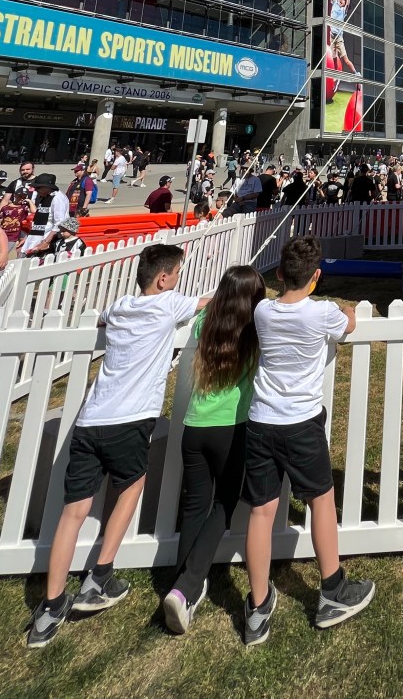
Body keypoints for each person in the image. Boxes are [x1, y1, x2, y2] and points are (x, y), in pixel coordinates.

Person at [26, 244, 210, 648]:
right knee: (131, 485)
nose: (177, 279)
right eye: (176, 273)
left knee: (73, 511)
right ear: (163, 279)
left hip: (91, 419)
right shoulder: (168, 305)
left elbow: (107, 317)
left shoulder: (120, 306)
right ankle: (100, 574)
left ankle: (51, 604)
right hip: (129, 419)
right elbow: (205, 301)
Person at [241, 235, 374, 645]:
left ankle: (258, 605)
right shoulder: (320, 315)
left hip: (261, 421)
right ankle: (332, 589)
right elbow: (348, 322)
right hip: (300, 422)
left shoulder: (263, 310)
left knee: (261, 513)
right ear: (316, 276)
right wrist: (345, 308)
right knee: (321, 501)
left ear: (279, 274)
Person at [162, 265, 265, 634]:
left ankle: (179, 587)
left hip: (195, 427)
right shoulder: (254, 329)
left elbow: (204, 304)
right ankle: (187, 586)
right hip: (230, 428)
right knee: (223, 504)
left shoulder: (206, 319)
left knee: (193, 507)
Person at [21, 174, 71, 255]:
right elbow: (38, 220)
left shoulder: (57, 198)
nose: (36, 190)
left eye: (38, 188)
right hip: (35, 239)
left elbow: (59, 222)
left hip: (46, 241)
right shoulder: (45, 196)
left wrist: (46, 242)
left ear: (47, 187)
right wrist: (27, 238)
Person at [0, 184, 33, 251]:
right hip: (3, 233)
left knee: (4, 252)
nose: (22, 198)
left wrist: (29, 201)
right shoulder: (6, 207)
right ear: (15, 195)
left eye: (24, 197)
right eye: (20, 196)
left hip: (13, 236)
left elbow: (34, 211)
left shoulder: (24, 207)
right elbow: (0, 219)